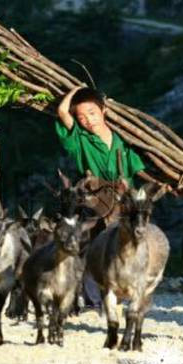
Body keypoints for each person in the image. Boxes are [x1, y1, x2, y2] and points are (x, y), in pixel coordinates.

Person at [56, 86, 147, 309]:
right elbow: (62, 111)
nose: (87, 120)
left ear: (104, 110)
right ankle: (92, 295)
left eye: (92, 113)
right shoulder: (80, 139)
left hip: (124, 197)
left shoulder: (123, 139)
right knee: (96, 243)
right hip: (96, 197)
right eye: (81, 116)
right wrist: (76, 90)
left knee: (128, 241)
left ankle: (124, 288)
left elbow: (137, 169)